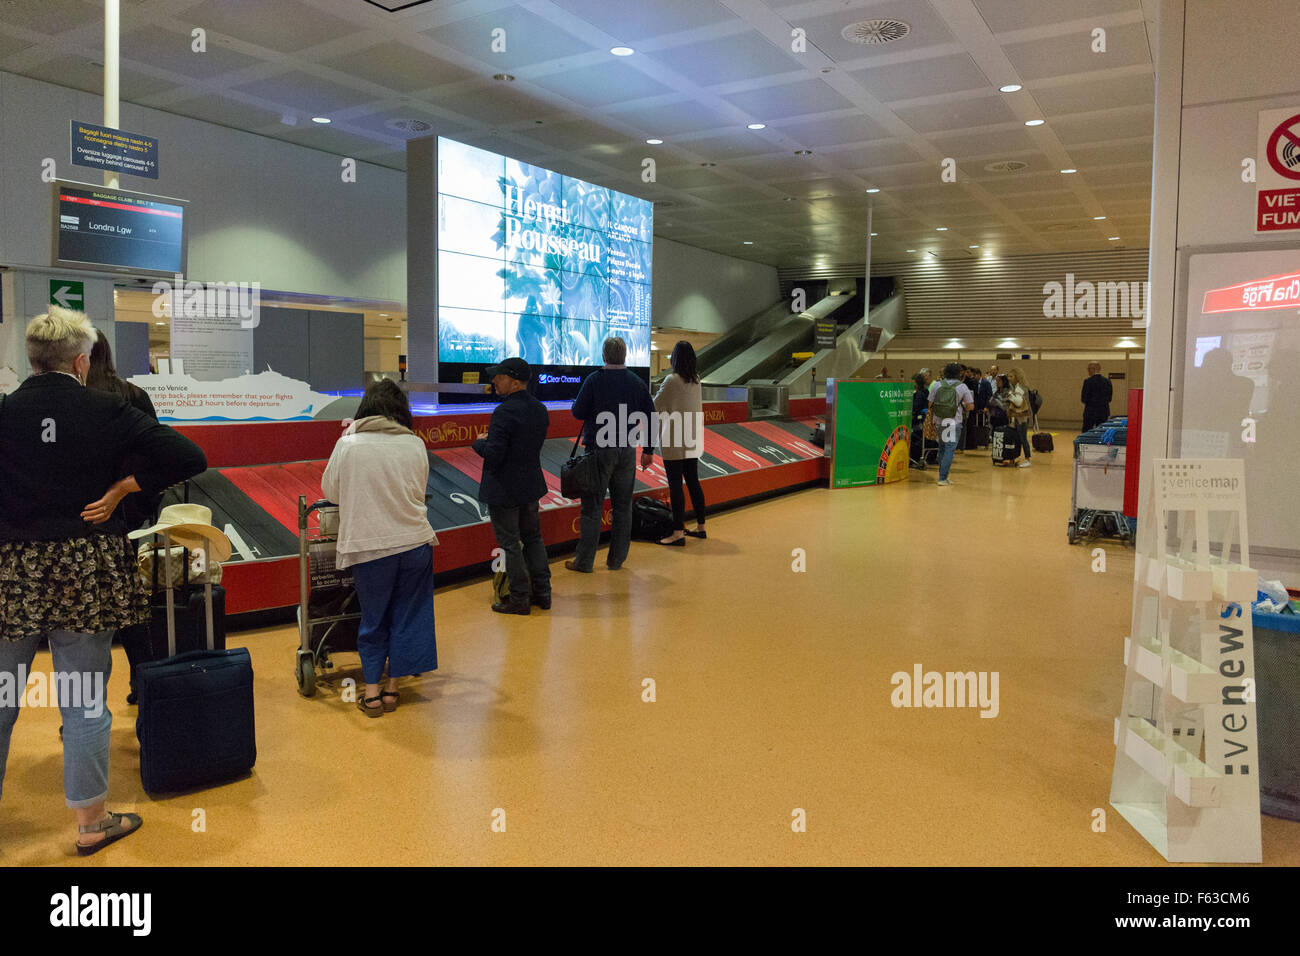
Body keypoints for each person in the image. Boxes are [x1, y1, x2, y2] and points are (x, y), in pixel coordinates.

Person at [0, 307, 206, 855]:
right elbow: (189, 455)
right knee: (84, 699)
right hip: (83, 570)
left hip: (13, 568)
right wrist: (121, 490)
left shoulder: (5, 410)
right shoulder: (108, 408)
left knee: (0, 697)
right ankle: (92, 824)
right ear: (82, 361)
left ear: (31, 359)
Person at [321, 379, 438, 717]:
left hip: (370, 547)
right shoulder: (415, 444)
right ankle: (392, 690)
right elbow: (419, 488)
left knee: (374, 618)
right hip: (415, 542)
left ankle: (370, 694)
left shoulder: (350, 444)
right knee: (407, 616)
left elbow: (330, 491)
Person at [85, 330, 160, 704]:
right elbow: (159, 456)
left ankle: (85, 708)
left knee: (87, 620)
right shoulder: (132, 396)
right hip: (125, 518)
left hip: (81, 520)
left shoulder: (76, 402)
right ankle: (144, 691)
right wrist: (131, 495)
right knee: (132, 610)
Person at [567, 336, 655, 573]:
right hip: (626, 450)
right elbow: (651, 415)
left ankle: (584, 562)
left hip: (598, 451)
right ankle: (616, 561)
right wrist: (648, 450)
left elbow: (577, 412)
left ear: (603, 356)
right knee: (623, 507)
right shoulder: (636, 382)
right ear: (625, 355)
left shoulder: (594, 380)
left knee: (592, 506)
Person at [471, 357, 551, 614]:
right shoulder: (539, 409)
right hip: (530, 485)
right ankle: (543, 591)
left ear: (515, 381)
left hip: (505, 489)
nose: (494, 381)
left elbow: (495, 454)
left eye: (499, 377)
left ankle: (519, 597)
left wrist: (479, 442)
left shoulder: (504, 412)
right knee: (533, 538)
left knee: (510, 544)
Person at [651, 341, 706, 546]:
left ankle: (677, 532)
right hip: (692, 439)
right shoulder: (697, 380)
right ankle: (701, 527)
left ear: (674, 358)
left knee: (675, 485)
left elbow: (655, 405)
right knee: (693, 482)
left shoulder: (671, 380)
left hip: (674, 439)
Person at [927, 362, 973, 486]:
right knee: (950, 449)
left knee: (942, 448)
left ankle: (943, 476)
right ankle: (942, 478)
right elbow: (970, 406)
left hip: (939, 420)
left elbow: (929, 404)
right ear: (959, 373)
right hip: (953, 421)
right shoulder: (962, 387)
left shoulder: (937, 385)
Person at [1004, 368, 1034, 468]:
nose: (1009, 378)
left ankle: (1027, 458)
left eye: (1011, 376)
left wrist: (1010, 396)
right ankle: (1021, 457)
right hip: (1021, 417)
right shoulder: (1019, 387)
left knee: (1023, 438)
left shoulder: (1019, 388)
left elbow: (1018, 402)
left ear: (1017, 377)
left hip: (1022, 418)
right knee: (1020, 438)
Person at [1081, 362, 1113, 431]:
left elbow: (1084, 399)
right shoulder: (1107, 381)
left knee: (1087, 432)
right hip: (1103, 412)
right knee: (1101, 432)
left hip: (1090, 412)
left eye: (1089, 369)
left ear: (1093, 369)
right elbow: (1109, 398)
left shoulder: (1088, 381)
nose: (1088, 371)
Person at [909, 372, 930, 468]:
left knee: (914, 439)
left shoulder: (919, 394)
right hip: (920, 421)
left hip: (917, 423)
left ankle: (913, 459)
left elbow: (916, 409)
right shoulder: (924, 392)